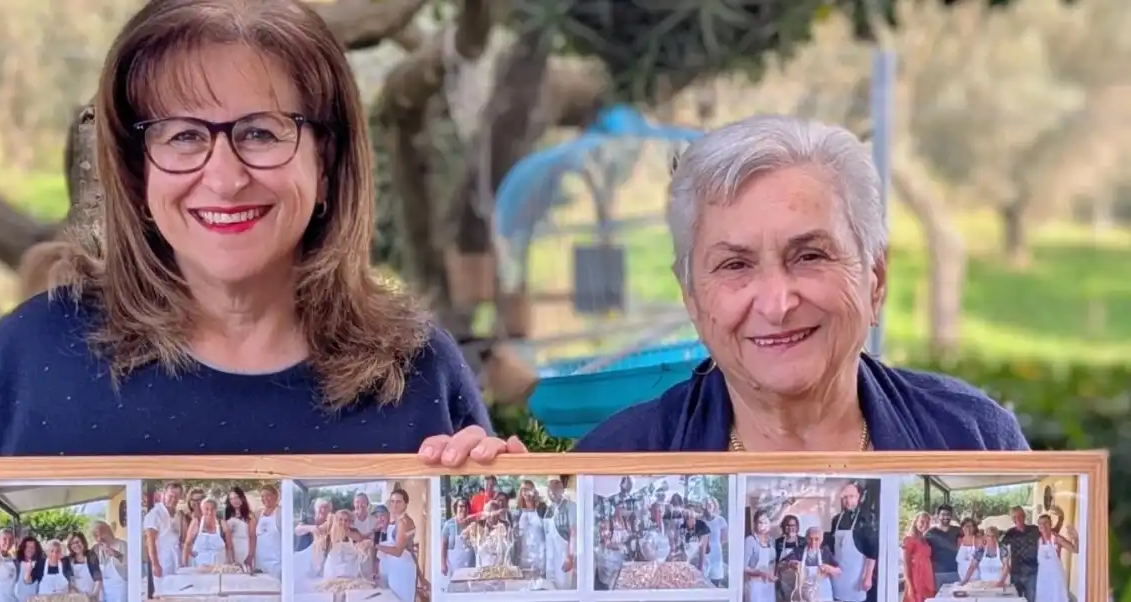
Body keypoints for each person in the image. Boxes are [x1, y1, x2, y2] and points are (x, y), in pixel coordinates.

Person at [0, 0, 517, 583]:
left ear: (327, 162)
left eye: (260, 133)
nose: (225, 177)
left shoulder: (417, 373)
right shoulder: (32, 357)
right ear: (138, 175)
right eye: (183, 136)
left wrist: (515, 542)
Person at [423, 114, 1028, 465]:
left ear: (875, 279)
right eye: (735, 266)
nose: (775, 301)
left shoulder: (974, 441)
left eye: (809, 255)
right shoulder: (616, 463)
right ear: (692, 300)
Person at [827, 482, 877, 602]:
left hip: (856, 576)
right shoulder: (836, 520)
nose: (848, 500)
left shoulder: (865, 519)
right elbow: (832, 549)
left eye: (851, 496)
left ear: (858, 497)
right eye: (845, 497)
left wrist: (868, 577)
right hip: (838, 575)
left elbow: (872, 551)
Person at [1003, 506, 1041, 601]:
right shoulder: (1010, 533)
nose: (1018, 519)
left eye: (1020, 516)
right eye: (1014, 517)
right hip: (1016, 572)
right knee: (1015, 599)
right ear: (1012, 519)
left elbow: (1050, 533)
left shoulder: (1035, 530)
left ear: (1024, 516)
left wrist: (1060, 520)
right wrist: (1005, 563)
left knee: (1030, 599)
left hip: (1032, 572)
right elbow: (1001, 546)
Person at [1034, 513, 1075, 602]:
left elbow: (1074, 549)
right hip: (1042, 578)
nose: (1043, 526)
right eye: (1040, 524)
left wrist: (1075, 538)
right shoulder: (1038, 541)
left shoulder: (1057, 539)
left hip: (1056, 578)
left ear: (1051, 524)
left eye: (1046, 523)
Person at [925, 503, 962, 591]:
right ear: (937, 516)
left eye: (948, 515)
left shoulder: (957, 530)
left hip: (955, 572)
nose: (946, 517)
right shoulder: (930, 533)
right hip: (937, 573)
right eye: (943, 514)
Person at [91, 520, 129, 602]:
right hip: (106, 590)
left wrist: (115, 553)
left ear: (109, 532)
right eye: (96, 536)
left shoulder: (121, 544)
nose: (100, 538)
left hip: (120, 590)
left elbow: (130, 563)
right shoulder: (97, 549)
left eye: (102, 534)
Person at [743, 511, 776, 602]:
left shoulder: (771, 541)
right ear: (755, 523)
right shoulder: (750, 541)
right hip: (754, 585)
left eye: (765, 522)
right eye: (760, 522)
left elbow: (772, 563)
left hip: (768, 585)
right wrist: (760, 573)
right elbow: (744, 567)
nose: (762, 526)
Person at [901, 512, 935, 602]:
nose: (925, 525)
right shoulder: (909, 539)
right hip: (916, 579)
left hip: (927, 577)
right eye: (922, 522)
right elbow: (906, 565)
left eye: (927, 522)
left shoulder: (924, 540)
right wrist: (910, 586)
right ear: (916, 522)